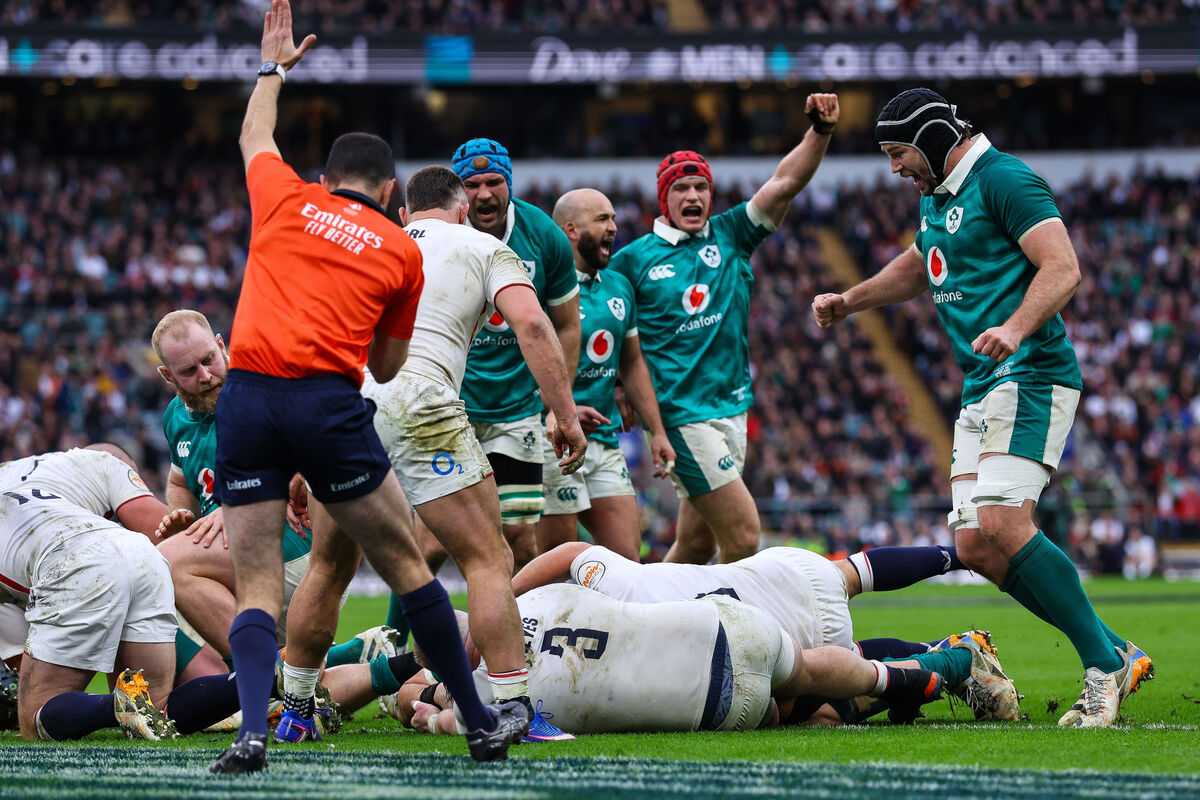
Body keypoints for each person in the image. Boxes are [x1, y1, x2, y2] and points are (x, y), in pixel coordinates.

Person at [210, 0, 525, 772]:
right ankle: (481, 723)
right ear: (390, 192)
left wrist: (273, 69)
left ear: (325, 179)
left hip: (246, 397)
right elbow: (386, 368)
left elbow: (255, 133)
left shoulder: (284, 196)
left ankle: (256, 730)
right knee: (411, 569)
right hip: (328, 403)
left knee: (259, 587)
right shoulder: (399, 251)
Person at [810, 87, 1152, 728]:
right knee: (976, 546)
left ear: (935, 139)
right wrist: (850, 300)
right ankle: (1116, 652)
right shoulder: (938, 196)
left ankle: (1101, 670)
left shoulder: (1004, 178)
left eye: (899, 152)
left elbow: (1064, 266)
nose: (894, 168)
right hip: (981, 384)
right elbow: (921, 265)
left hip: (1032, 370)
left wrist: (1018, 327)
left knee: (1001, 523)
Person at [279, 165, 585, 744]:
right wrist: (564, 415)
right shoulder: (484, 246)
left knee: (329, 565)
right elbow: (533, 325)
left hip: (341, 408)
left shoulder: (367, 243)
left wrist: (300, 453)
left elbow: (318, 343)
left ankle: (295, 711)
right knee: (487, 559)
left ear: (403, 214)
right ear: (462, 209)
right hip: (422, 398)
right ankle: (511, 706)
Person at [608, 94, 840, 565]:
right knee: (744, 534)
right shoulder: (632, 261)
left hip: (732, 409)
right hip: (681, 415)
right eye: (681, 189)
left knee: (696, 545)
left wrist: (820, 132)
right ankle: (732, 635)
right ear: (663, 198)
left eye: (700, 187)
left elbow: (785, 183)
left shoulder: (729, 235)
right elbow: (606, 322)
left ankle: (650, 624)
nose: (692, 196)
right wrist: (617, 385)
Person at [512, 541, 1018, 722]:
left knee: (823, 698)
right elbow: (571, 554)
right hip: (769, 576)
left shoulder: (627, 642)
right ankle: (957, 562)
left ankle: (944, 660)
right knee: (851, 574)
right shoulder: (615, 583)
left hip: (758, 635)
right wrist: (506, 597)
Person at [399, 585, 952, 735]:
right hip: (723, 625)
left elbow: (451, 718)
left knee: (793, 711)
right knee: (805, 667)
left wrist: (431, 712)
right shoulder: (535, 600)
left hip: (717, 706)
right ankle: (907, 678)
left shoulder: (502, 700)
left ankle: (886, 692)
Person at [0, 452, 252, 742]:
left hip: (73, 559)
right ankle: (273, 674)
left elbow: (22, 659)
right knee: (156, 712)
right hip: (139, 551)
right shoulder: (81, 469)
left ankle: (115, 706)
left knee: (33, 718)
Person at [151, 309, 315, 681]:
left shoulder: (261, 385)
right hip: (237, 560)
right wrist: (183, 515)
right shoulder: (176, 417)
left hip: (292, 551)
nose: (206, 376)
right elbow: (179, 483)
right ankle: (367, 665)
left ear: (221, 345)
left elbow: (321, 445)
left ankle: (260, 677)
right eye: (189, 372)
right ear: (167, 376)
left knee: (163, 566)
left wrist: (245, 499)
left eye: (208, 360)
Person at [448, 136, 582, 569]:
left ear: (510, 182)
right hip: (451, 408)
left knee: (521, 537)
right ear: (457, 191)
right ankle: (404, 638)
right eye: (472, 184)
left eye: (494, 181)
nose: (485, 193)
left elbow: (567, 325)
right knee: (430, 544)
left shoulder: (543, 235)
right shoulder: (442, 237)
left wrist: (555, 403)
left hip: (517, 412)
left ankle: (520, 635)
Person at [539, 188, 675, 559]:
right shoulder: (539, 287)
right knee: (554, 560)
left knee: (627, 559)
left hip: (602, 439)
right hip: (550, 438)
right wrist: (559, 410)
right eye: (603, 219)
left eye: (613, 218)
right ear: (570, 229)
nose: (614, 227)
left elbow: (632, 364)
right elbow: (521, 364)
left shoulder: (618, 287)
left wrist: (657, 433)